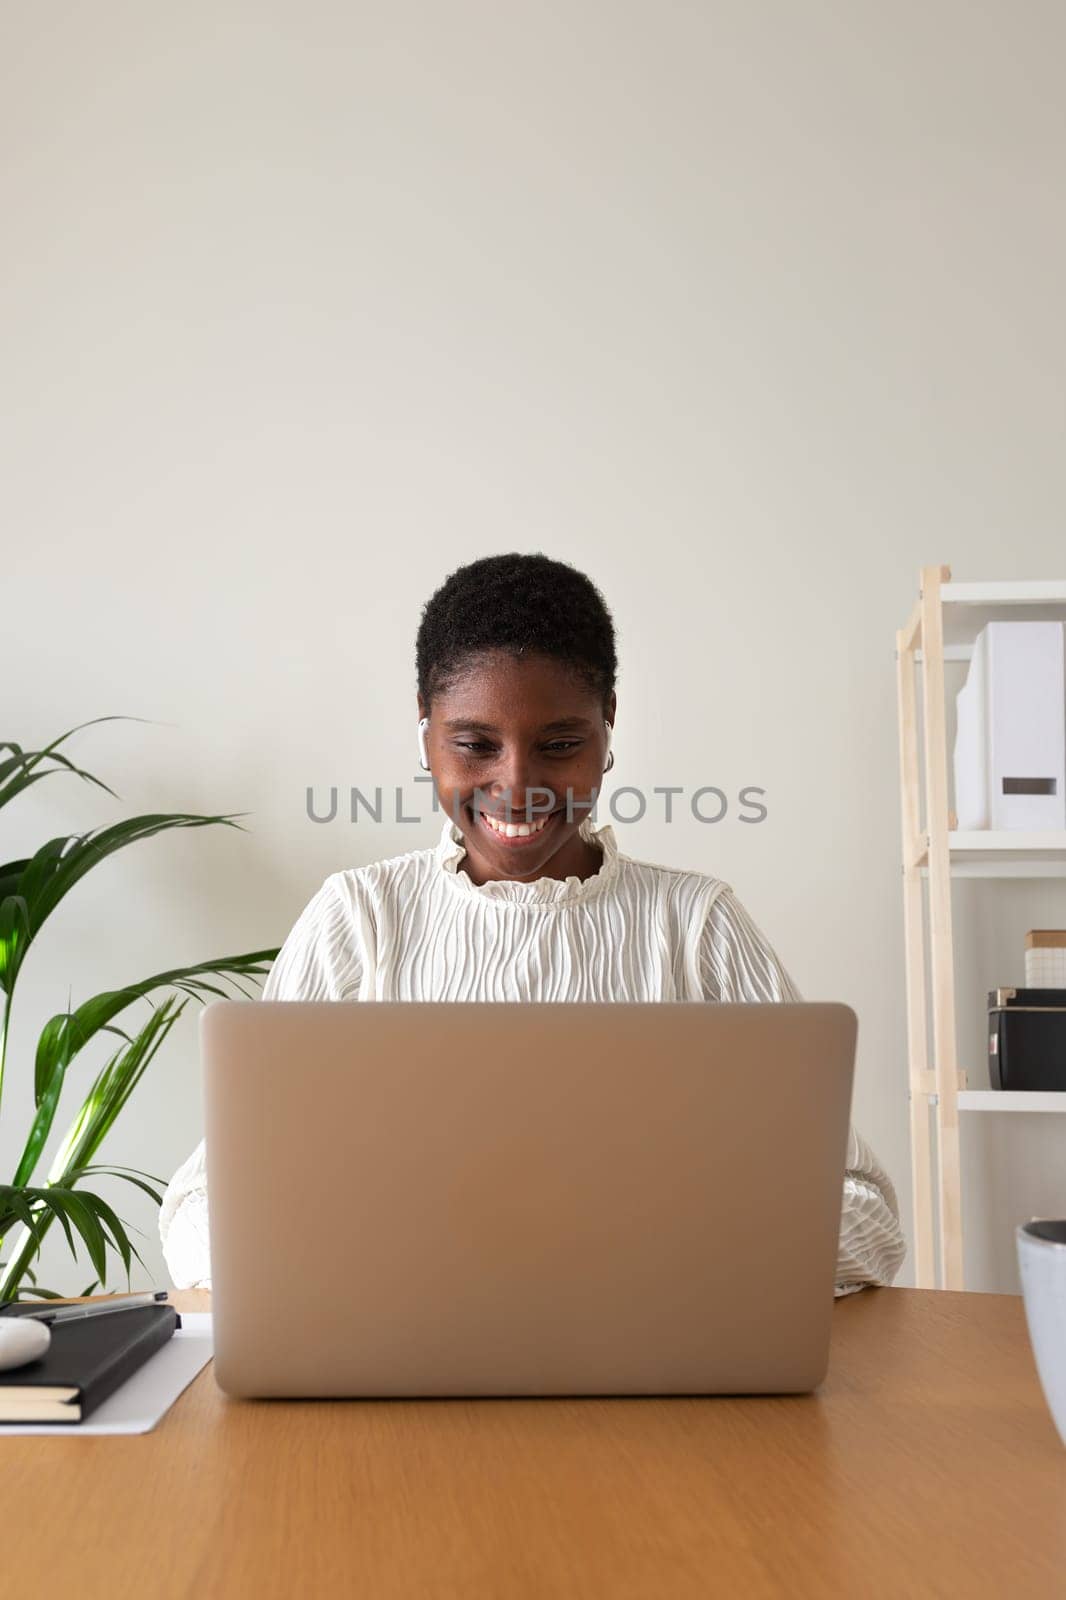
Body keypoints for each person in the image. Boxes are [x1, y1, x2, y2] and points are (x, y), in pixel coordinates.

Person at [160, 552, 906, 1296]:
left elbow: (865, 1217)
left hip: (641, 1360)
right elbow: (203, 1206)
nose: (517, 787)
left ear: (608, 726)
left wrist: (650, 1245)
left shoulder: (694, 926)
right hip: (403, 1348)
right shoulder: (360, 920)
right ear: (424, 732)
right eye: (474, 744)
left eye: (558, 746)